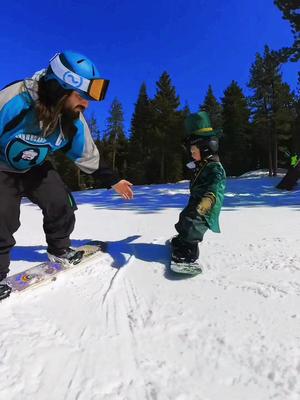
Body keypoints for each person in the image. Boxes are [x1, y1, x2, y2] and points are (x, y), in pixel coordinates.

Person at [0, 51, 133, 294]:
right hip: (1, 167)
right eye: (81, 96)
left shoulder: (72, 120)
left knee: (60, 201)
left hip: (35, 167)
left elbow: (86, 153)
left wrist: (113, 179)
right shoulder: (15, 99)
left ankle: (59, 249)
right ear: (61, 88)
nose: (86, 104)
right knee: (2, 216)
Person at [171, 111, 226, 264]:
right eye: (191, 151)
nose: (192, 154)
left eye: (194, 151)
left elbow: (216, 187)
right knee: (184, 219)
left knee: (193, 223)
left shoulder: (215, 167)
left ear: (208, 148)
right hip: (196, 200)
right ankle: (182, 241)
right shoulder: (203, 164)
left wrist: (206, 203)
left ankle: (189, 251)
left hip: (207, 203)